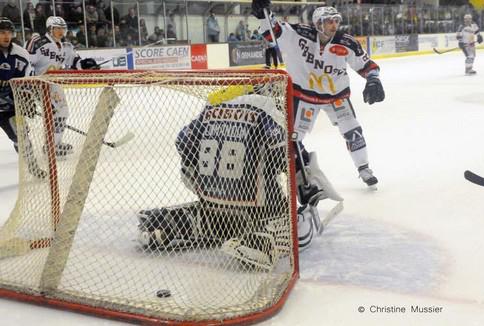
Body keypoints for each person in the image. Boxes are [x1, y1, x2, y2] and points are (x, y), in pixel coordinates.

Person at [136, 84, 325, 269]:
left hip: (213, 203)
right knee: (297, 219)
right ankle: (263, 240)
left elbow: (183, 142)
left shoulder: (211, 109)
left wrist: (201, 179)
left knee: (213, 214)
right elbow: (286, 154)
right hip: (257, 210)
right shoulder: (267, 113)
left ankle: (166, 222)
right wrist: (307, 186)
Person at [252, 5, 385, 189]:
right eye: (329, 21)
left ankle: (364, 168)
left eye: (336, 21)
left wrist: (373, 80)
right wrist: (261, 14)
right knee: (293, 139)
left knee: (353, 131)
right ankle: (293, 174)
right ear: (318, 23)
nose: (334, 25)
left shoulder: (346, 43)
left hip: (336, 97)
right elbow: (271, 31)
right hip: (305, 96)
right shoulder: (298, 34)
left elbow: (368, 65)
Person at [25, 16, 99, 157]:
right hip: (38, 83)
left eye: (63, 29)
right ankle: (51, 144)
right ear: (50, 29)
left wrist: (87, 64)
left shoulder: (66, 46)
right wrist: (29, 84)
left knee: (62, 112)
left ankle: (54, 143)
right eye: (57, 28)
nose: (61, 31)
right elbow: (26, 61)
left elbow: (76, 63)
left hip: (54, 85)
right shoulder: (38, 42)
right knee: (57, 113)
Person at [0, 17, 46, 179]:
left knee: (22, 136)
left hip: (9, 108)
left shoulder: (21, 54)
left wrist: (27, 98)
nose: (6, 36)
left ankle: (32, 166)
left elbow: (28, 80)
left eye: (8, 32)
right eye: (2, 33)